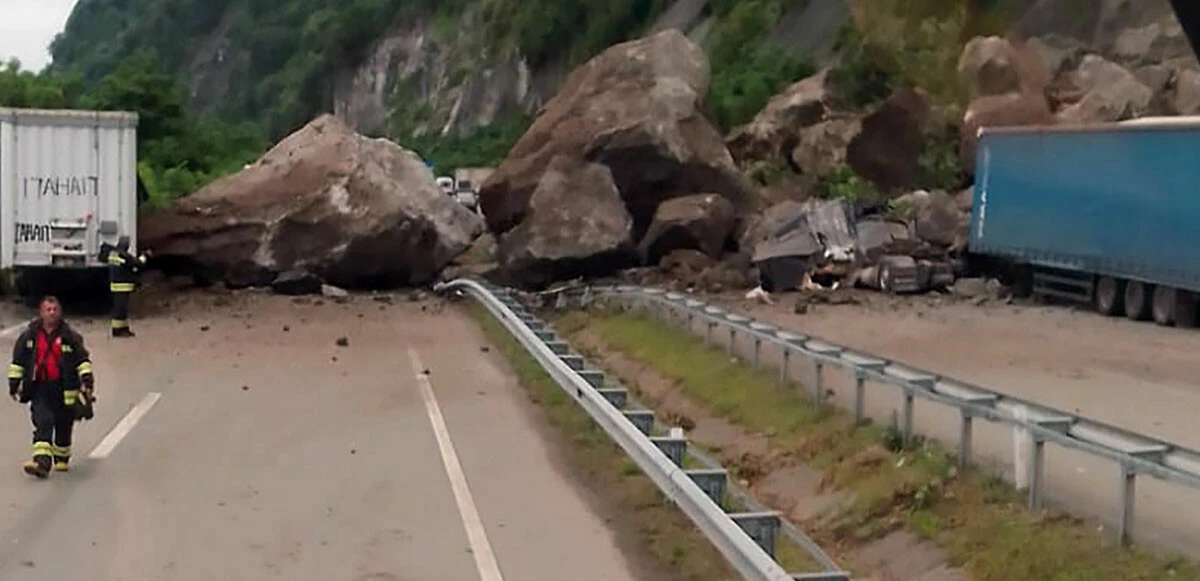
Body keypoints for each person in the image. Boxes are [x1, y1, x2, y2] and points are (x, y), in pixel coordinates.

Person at [8, 296, 95, 478]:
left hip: (65, 389)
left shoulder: (70, 337)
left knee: (64, 425)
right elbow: (18, 362)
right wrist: (14, 385)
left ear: (60, 312)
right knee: (43, 421)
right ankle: (42, 462)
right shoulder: (29, 336)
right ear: (41, 313)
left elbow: (82, 361)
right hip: (40, 387)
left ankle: (62, 457)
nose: (52, 312)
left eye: (55, 309)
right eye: (48, 309)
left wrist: (87, 382)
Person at [99, 236, 148, 337]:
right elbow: (138, 264)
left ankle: (124, 328)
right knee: (120, 310)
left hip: (115, 285)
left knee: (122, 309)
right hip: (122, 286)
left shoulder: (113, 254)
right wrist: (145, 255)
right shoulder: (125, 256)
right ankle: (117, 330)